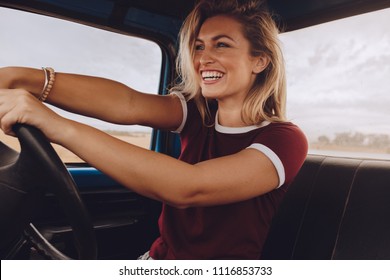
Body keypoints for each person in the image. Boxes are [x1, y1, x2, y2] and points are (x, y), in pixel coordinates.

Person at [0, 0, 308, 259]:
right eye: (198, 46)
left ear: (260, 61)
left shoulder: (284, 139)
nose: (202, 58)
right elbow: (128, 103)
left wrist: (53, 124)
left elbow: (189, 187)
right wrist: (26, 79)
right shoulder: (198, 113)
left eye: (222, 44)